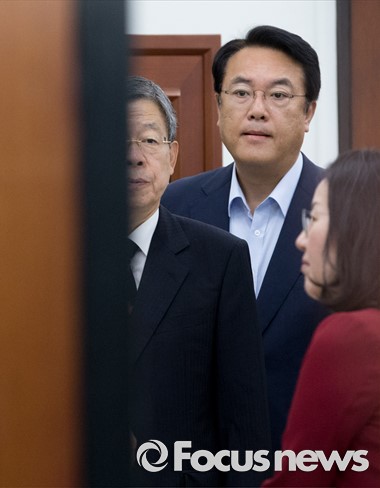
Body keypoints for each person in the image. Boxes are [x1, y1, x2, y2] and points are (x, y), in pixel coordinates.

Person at [161, 25, 329, 452]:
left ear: (308, 112)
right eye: (240, 93)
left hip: (308, 464)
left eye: (278, 95)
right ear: (218, 107)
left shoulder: (350, 212)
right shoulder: (174, 206)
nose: (257, 110)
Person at [126, 76, 270, 487]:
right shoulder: (53, 261)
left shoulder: (220, 259)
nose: (135, 157)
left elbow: (245, 425)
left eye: (149, 141)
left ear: (172, 156)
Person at [263, 149, 380, 486]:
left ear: (354, 228)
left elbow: (299, 479)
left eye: (313, 218)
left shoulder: (351, 335)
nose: (301, 240)